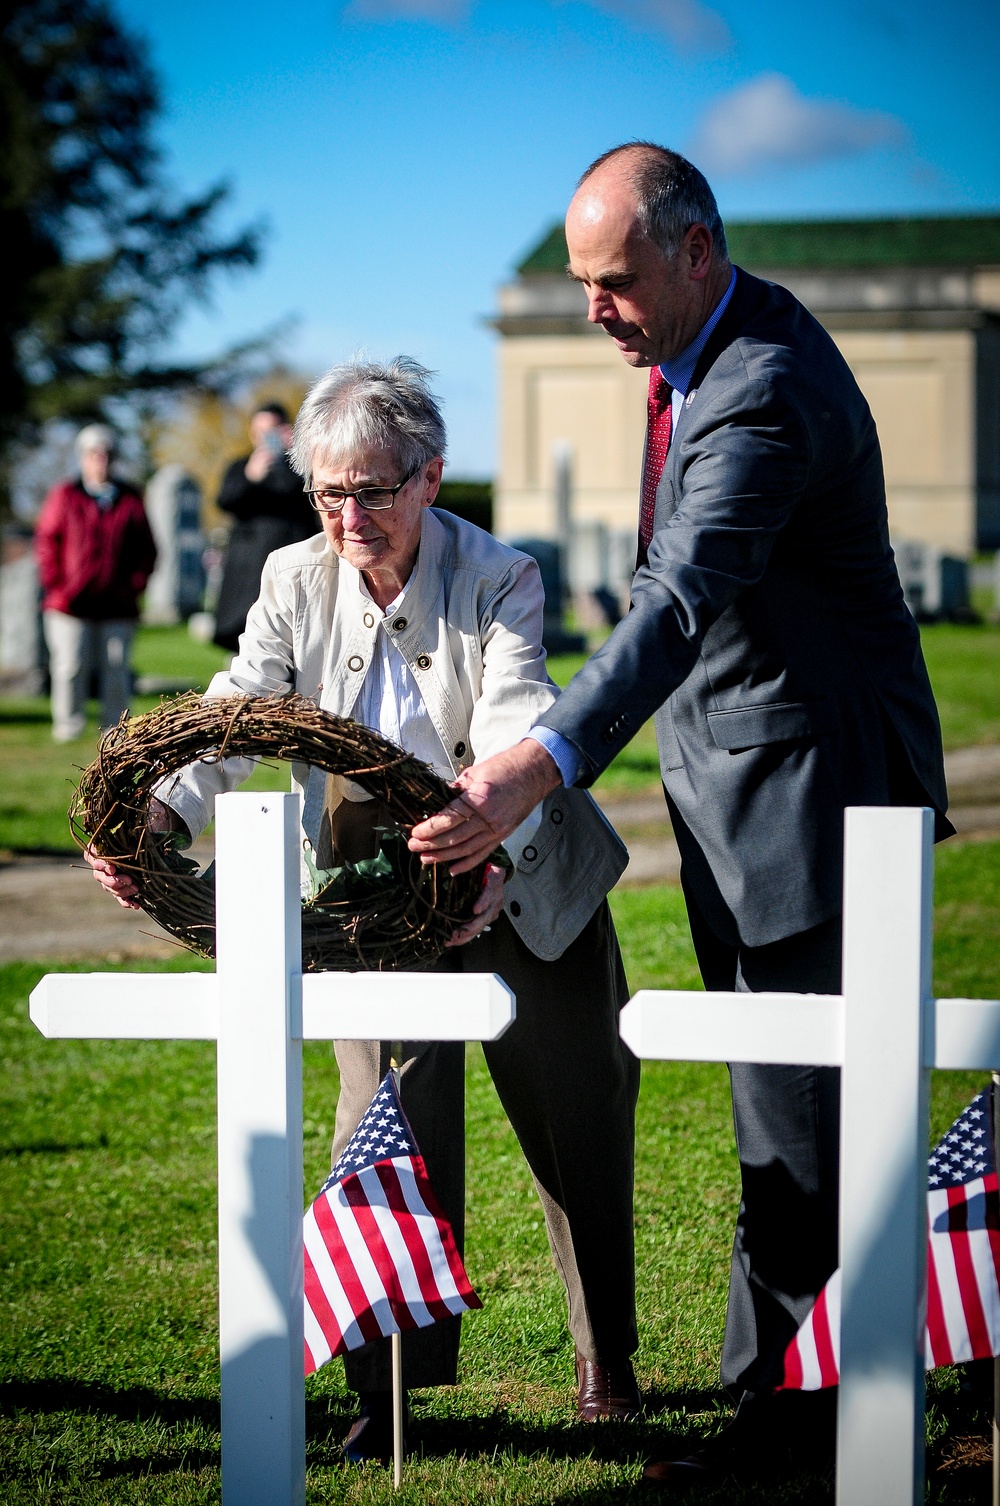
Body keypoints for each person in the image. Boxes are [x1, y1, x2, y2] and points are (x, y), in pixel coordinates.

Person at [408, 144, 952, 1484]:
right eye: (584, 281)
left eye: (615, 280)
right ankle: (776, 1400)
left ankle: (798, 1421)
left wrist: (538, 761)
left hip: (817, 798)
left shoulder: (759, 385)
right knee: (785, 1111)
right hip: (748, 787)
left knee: (809, 1116)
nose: (592, 306)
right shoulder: (703, 354)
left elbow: (681, 599)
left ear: (697, 250)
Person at [88, 357, 641, 1464]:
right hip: (366, 894)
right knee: (384, 1126)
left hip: (520, 865)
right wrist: (160, 815)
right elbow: (241, 707)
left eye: (374, 490)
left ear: (430, 478)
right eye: (328, 492)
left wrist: (493, 829)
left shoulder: (500, 574)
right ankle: (387, 1386)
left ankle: (605, 1365)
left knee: (574, 1112)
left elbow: (517, 709)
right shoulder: (294, 578)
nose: (350, 516)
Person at [35, 423, 157, 742]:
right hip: (69, 603)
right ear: (82, 458)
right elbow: (47, 541)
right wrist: (58, 584)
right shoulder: (64, 495)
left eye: (106, 454)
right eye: (93, 453)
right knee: (70, 667)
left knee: (116, 669)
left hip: (117, 603)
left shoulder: (129, 498)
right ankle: (68, 725)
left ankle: (114, 730)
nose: (100, 460)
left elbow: (147, 548)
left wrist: (134, 584)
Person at [212, 400, 321, 650]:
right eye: (261, 432)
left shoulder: (302, 467)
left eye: (272, 431)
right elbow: (225, 501)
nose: (266, 439)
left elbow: (312, 497)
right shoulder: (241, 467)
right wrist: (250, 477)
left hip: (293, 566)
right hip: (248, 570)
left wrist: (297, 454)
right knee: (245, 643)